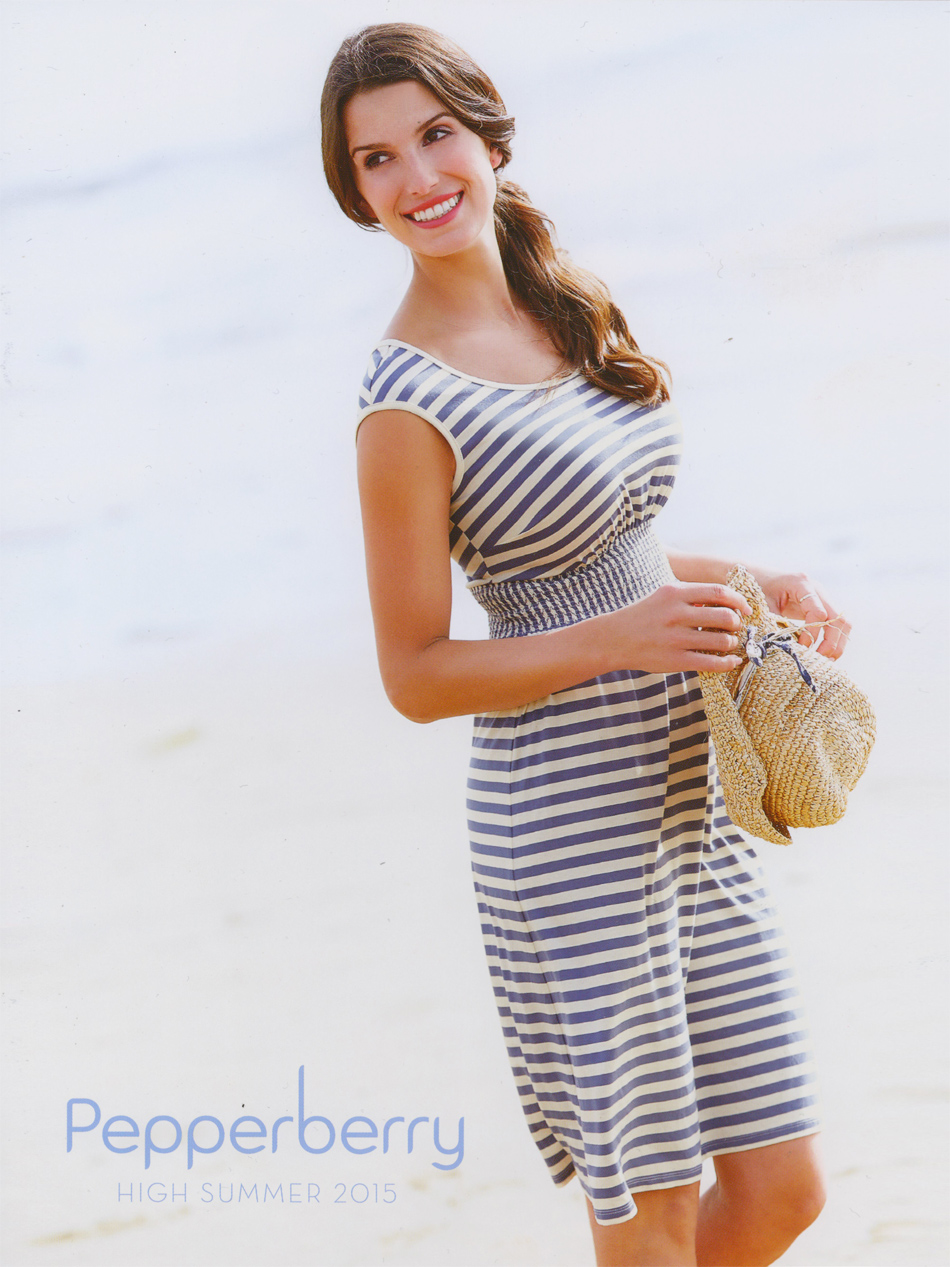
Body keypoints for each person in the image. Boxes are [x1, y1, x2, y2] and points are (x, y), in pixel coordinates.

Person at [321, 23, 848, 1267]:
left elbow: (604, 552)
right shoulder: (403, 404)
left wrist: (747, 580)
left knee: (781, 1187)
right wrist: (621, 640)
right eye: (378, 159)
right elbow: (414, 673)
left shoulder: (565, 305)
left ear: (488, 135)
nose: (417, 177)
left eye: (435, 135)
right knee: (650, 1213)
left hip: (687, 796)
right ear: (355, 193)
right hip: (566, 829)